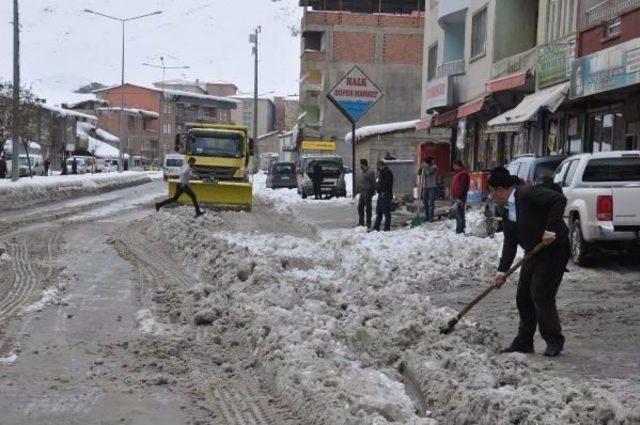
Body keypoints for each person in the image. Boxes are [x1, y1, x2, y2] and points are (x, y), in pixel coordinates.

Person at [489, 166, 570, 357]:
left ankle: (554, 340)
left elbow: (558, 200)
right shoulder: (507, 209)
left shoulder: (527, 194)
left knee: (541, 292)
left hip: (554, 249)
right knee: (523, 296)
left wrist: (551, 229)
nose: (492, 197)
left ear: (500, 189)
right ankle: (524, 342)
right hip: (533, 252)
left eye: (492, 192)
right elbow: (510, 243)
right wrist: (501, 272)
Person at [372, 160, 393, 232]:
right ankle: (376, 228)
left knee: (386, 213)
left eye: (377, 166)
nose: (376, 167)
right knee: (379, 212)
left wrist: (383, 191)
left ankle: (387, 229)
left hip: (386, 195)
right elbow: (380, 183)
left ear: (381, 165)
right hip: (380, 195)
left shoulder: (388, 172)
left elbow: (388, 184)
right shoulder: (381, 172)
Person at [451, 160, 470, 234]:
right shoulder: (458, 173)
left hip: (460, 197)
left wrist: (458, 197)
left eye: (454, 165)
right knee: (458, 213)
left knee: (460, 214)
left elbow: (462, 186)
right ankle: (460, 229)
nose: (453, 167)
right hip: (457, 197)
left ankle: (460, 230)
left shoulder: (463, 174)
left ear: (457, 165)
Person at [356, 158, 376, 228]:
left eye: (360, 164)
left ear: (363, 164)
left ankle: (368, 223)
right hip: (362, 192)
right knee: (360, 207)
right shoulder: (363, 171)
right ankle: (361, 222)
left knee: (368, 208)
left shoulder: (370, 172)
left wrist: (373, 191)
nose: (360, 166)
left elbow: (373, 182)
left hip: (368, 192)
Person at [421, 157, 438, 222]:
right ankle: (426, 216)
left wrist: (425, 167)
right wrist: (421, 168)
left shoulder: (434, 167)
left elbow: (428, 173)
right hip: (425, 186)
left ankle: (431, 217)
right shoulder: (425, 167)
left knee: (431, 202)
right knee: (425, 202)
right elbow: (420, 173)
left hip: (432, 186)